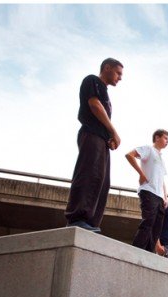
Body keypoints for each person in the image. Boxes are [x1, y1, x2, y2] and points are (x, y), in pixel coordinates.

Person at [65, 58, 123, 232]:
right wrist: (113, 131)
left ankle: (91, 222)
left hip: (102, 139)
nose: (120, 78)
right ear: (107, 68)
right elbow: (94, 105)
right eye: (118, 73)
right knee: (89, 174)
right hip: (91, 134)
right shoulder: (92, 80)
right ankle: (77, 218)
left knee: (102, 180)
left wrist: (109, 136)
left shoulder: (106, 92)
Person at [126, 129, 168, 252]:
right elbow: (129, 155)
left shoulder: (161, 159)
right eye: (165, 138)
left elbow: (162, 180)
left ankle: (149, 253)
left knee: (157, 228)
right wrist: (141, 174)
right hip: (148, 191)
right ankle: (136, 250)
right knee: (148, 222)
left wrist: (165, 197)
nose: (167, 141)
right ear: (157, 138)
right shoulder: (148, 149)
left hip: (160, 197)